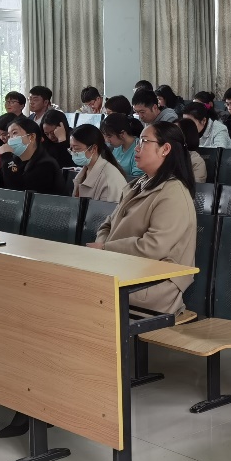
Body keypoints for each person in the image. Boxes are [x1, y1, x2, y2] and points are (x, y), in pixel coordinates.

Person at [90, 121, 196, 314]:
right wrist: (103, 248)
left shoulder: (173, 193)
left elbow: (153, 247)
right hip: (122, 268)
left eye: (145, 141)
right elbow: (107, 225)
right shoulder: (138, 184)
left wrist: (106, 248)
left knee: (81, 289)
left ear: (165, 149)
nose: (137, 148)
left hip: (152, 282)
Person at [0, 116, 62, 194]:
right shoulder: (17, 159)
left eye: (14, 133)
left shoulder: (46, 164)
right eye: (9, 135)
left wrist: (6, 158)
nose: (10, 139)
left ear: (31, 137)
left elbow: (18, 191)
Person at [70, 124, 128, 203]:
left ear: (94, 148)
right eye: (71, 148)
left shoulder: (109, 180)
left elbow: (107, 210)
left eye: (77, 148)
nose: (73, 152)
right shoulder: (86, 170)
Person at [102, 113, 142, 180]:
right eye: (105, 136)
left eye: (109, 136)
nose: (107, 140)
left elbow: (136, 179)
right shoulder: (116, 147)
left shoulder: (139, 149)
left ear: (122, 133)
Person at [177, 117, 208, 182]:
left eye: (174, 134)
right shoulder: (163, 156)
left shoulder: (196, 161)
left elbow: (196, 186)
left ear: (187, 137)